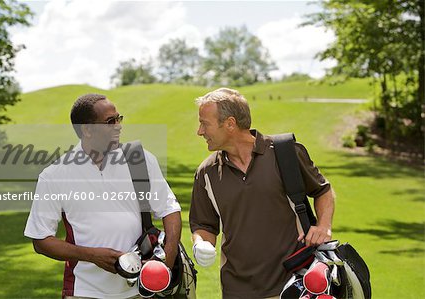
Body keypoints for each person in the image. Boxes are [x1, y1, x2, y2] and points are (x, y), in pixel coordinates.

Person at [24, 93, 182, 299]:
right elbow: (41, 239)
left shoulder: (140, 159)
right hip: (84, 290)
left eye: (119, 118)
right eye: (110, 122)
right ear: (87, 130)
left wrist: (166, 262)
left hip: (141, 290)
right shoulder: (54, 175)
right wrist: (91, 256)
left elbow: (169, 209)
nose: (118, 126)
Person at [189, 88, 335, 299]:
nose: (200, 131)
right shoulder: (206, 172)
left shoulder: (286, 152)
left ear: (230, 124)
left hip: (295, 282)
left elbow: (323, 190)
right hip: (237, 289)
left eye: (205, 123)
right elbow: (204, 224)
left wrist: (323, 226)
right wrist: (201, 243)